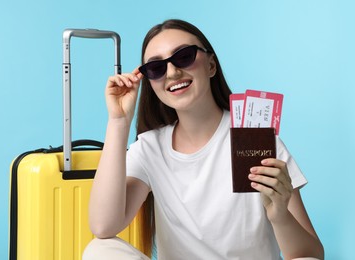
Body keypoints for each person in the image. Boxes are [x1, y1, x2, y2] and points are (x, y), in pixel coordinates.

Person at [82, 19, 324, 260]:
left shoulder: (254, 136)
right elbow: (103, 226)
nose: (173, 72)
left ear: (210, 65)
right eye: (156, 68)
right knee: (99, 250)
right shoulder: (149, 148)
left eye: (184, 56)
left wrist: (279, 215)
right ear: (150, 82)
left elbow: (311, 254)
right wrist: (118, 122)